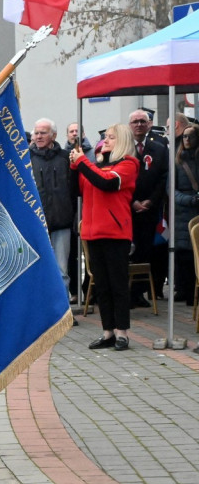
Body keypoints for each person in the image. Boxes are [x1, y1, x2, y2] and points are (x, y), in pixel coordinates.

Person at [72, 124, 138, 351]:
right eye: (106, 137)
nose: (106, 140)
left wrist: (83, 162)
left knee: (117, 284)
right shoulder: (98, 164)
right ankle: (107, 331)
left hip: (115, 231)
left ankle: (122, 333)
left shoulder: (128, 164)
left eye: (111, 137)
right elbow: (79, 189)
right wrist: (74, 167)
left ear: (122, 141)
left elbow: (107, 183)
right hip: (92, 231)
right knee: (101, 285)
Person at [127, 109, 169, 308]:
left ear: (149, 124)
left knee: (145, 251)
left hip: (149, 209)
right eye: (135, 121)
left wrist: (150, 202)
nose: (139, 125)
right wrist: (133, 201)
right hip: (127, 209)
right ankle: (127, 292)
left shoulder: (159, 148)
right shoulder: (124, 147)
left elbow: (162, 178)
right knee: (129, 252)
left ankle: (140, 292)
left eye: (142, 121)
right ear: (130, 125)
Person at [29, 118, 76, 295]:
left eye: (43, 133)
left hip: (61, 221)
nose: (39, 136)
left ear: (53, 135)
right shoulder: (26, 158)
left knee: (61, 270)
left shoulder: (65, 157)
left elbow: (74, 188)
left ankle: (63, 312)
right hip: (35, 224)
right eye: (36, 133)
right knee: (37, 269)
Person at [173, 124, 199, 304]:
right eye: (184, 136)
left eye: (191, 136)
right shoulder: (177, 161)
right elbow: (171, 190)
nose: (187, 140)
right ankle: (186, 292)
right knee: (184, 255)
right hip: (183, 211)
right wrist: (187, 200)